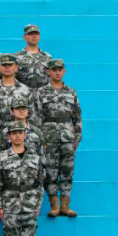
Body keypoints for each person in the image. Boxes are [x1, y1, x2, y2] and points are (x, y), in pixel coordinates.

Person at [36, 59, 82, 218]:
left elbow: (77, 116)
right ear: (48, 72)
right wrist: (40, 137)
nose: (57, 72)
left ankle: (65, 205)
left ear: (64, 71)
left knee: (67, 170)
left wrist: (77, 136)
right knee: (50, 171)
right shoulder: (41, 92)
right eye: (54, 69)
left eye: (59, 69)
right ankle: (54, 205)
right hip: (48, 136)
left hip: (68, 136)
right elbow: (37, 117)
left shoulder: (71, 92)